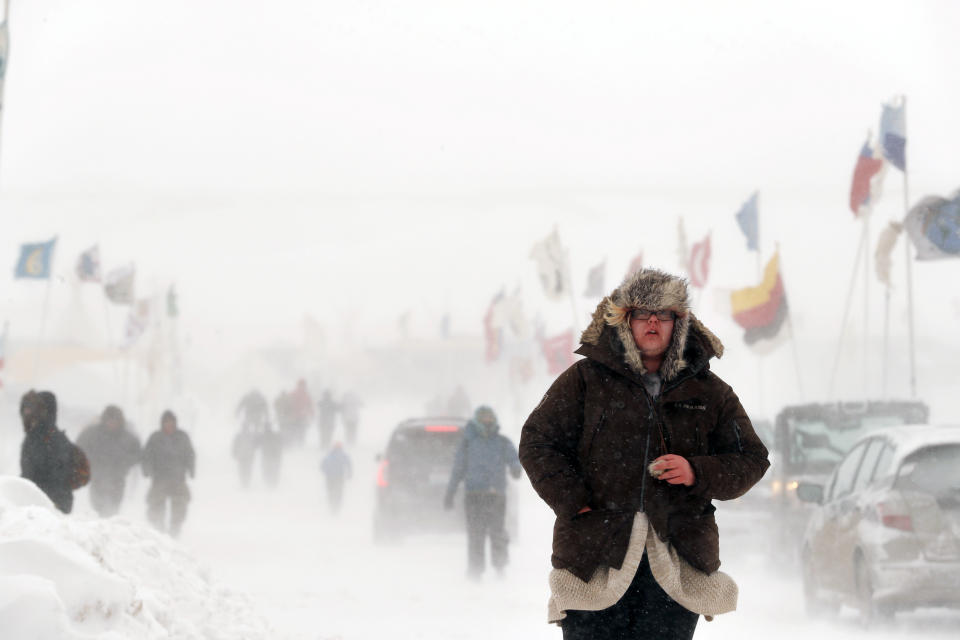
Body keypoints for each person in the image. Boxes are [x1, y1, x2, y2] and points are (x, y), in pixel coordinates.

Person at [519, 268, 770, 640]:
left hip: (677, 561)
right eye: (642, 313)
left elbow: (752, 458)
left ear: (678, 322)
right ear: (625, 321)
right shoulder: (585, 380)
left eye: (664, 313)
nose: (653, 321)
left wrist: (696, 471)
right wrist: (574, 501)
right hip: (594, 557)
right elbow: (537, 441)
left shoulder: (710, 391)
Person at [444, 405, 523, 580]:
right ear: (477, 420)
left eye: (490, 418)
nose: (487, 421)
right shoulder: (467, 443)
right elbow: (458, 470)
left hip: (496, 495)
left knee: (497, 533)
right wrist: (450, 492)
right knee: (476, 534)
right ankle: (475, 571)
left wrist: (516, 468)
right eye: (483, 418)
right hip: (474, 495)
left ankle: (500, 567)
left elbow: (513, 458)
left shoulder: (502, 442)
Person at [19, 390, 90, 514]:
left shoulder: (53, 440)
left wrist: (50, 504)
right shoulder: (33, 438)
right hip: (37, 504)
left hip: (52, 506)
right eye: (26, 409)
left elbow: (56, 478)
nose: (27, 412)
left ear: (44, 411)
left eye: (31, 408)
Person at [76, 405, 142, 516]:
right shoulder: (92, 434)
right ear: (104, 420)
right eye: (109, 420)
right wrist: (89, 460)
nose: (112, 423)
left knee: (114, 507)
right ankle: (99, 525)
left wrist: (125, 462)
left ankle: (110, 525)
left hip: (117, 478)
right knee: (97, 506)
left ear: (120, 421)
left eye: (115, 420)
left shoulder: (128, 438)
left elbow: (138, 454)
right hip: (97, 477)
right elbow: (79, 448)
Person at [142, 410, 196, 537]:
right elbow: (147, 455)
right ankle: (158, 527)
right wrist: (146, 469)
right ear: (162, 424)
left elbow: (190, 454)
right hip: (159, 478)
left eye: (171, 423)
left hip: (178, 478)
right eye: (166, 423)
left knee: (180, 503)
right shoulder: (155, 438)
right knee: (155, 504)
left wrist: (191, 469)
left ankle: (175, 528)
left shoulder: (182, 437)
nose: (169, 425)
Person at [320, 442, 352, 513]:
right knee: (339, 492)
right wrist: (349, 473)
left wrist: (325, 472)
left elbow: (322, 465)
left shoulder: (329, 455)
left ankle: (332, 505)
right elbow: (348, 464)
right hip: (339, 477)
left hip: (330, 477)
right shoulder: (343, 455)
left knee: (330, 491)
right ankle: (337, 506)